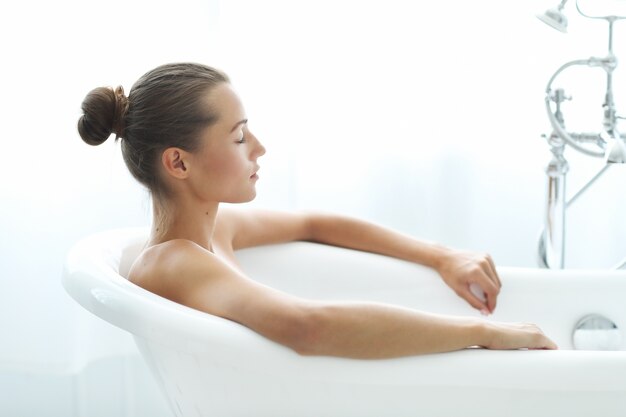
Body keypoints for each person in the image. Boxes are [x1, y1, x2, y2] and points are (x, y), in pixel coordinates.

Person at [77, 62, 557, 358]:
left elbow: (314, 224)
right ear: (178, 162)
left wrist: (440, 257)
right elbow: (307, 327)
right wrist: (483, 333)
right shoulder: (172, 262)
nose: (259, 148)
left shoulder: (211, 231)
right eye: (240, 136)